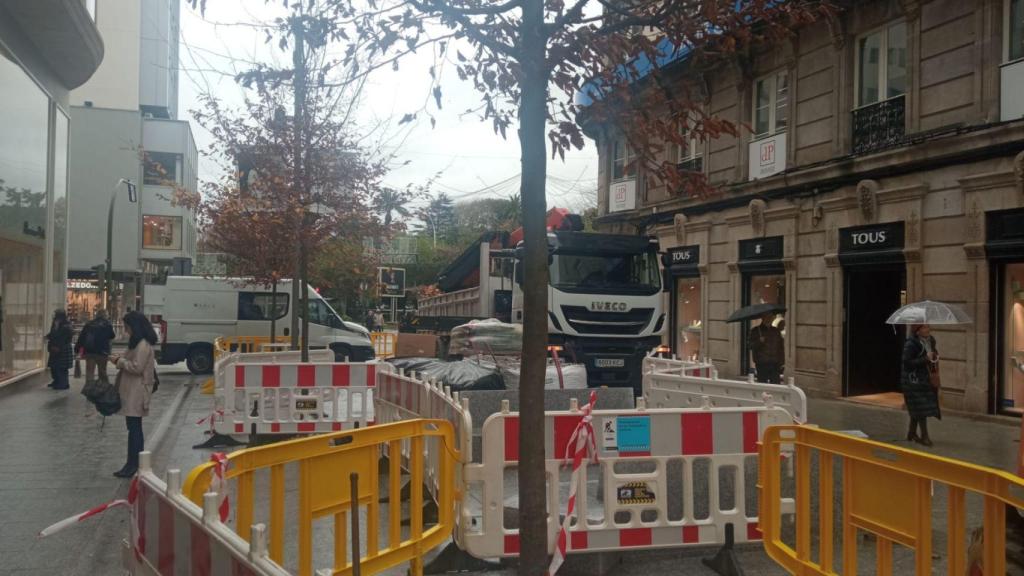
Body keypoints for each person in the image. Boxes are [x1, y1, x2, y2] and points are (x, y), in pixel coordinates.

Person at [109, 311, 157, 478]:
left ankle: (133, 463)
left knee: (134, 428)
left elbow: (137, 367)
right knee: (133, 427)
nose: (126, 330)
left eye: (127, 326)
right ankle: (133, 462)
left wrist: (119, 362)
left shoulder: (142, 344)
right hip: (132, 389)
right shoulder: (138, 343)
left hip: (136, 390)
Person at [901, 324, 941, 447]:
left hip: (925, 378)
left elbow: (932, 354)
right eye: (924, 328)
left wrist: (935, 356)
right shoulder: (911, 344)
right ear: (917, 331)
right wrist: (925, 359)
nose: (928, 329)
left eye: (928, 327)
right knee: (921, 408)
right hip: (912, 380)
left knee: (918, 407)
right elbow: (907, 362)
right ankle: (924, 437)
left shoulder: (931, 341)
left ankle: (911, 433)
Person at [75, 308, 116, 387]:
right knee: (102, 372)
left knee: (90, 372)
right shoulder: (107, 324)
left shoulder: (89, 324)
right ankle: (103, 389)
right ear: (105, 315)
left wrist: (77, 349)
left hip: (89, 351)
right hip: (102, 352)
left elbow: (82, 337)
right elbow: (112, 335)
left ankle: (89, 389)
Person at [749, 312, 785, 384]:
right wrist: (759, 341)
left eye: (771, 317)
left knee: (776, 384)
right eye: (767, 317)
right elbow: (750, 346)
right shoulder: (756, 331)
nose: (769, 319)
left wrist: (782, 361)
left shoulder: (776, 331)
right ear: (763, 318)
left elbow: (781, 347)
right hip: (762, 363)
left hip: (775, 363)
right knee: (763, 384)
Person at [45, 309, 73, 390]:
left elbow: (62, 337)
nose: (54, 316)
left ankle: (63, 383)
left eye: (56, 315)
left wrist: (58, 346)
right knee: (54, 367)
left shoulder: (66, 325)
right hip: (55, 348)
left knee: (61, 367)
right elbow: (53, 334)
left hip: (61, 348)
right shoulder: (56, 323)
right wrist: (48, 336)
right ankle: (56, 381)